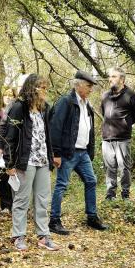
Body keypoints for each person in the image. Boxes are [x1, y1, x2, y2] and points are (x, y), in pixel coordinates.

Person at [0, 74, 59, 252]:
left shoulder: (45, 109)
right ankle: (18, 235)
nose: (45, 91)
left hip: (42, 160)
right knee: (22, 199)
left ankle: (43, 236)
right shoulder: (18, 107)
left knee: (42, 199)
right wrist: (9, 164)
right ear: (32, 88)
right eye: (42, 88)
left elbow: (48, 136)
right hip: (24, 161)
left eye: (46, 88)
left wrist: (52, 156)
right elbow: (9, 136)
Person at [49, 70, 107, 235]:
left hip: (83, 154)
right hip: (68, 152)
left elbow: (89, 130)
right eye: (88, 86)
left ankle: (92, 217)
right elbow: (55, 127)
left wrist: (90, 152)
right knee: (62, 185)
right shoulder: (66, 102)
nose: (91, 89)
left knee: (91, 181)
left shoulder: (87, 105)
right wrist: (56, 153)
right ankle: (54, 220)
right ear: (78, 85)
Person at [100, 67, 135, 200]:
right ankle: (110, 194)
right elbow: (104, 113)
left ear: (122, 79)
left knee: (124, 168)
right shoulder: (105, 96)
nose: (110, 79)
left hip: (123, 138)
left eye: (114, 76)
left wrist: (125, 123)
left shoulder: (130, 95)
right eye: (110, 76)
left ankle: (125, 194)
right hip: (107, 138)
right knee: (109, 167)